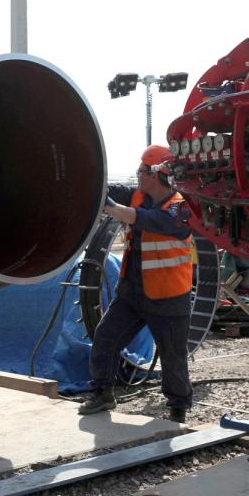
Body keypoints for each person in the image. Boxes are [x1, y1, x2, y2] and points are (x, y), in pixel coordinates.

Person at [78, 144, 194, 423]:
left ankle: (178, 408)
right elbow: (105, 189)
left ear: (156, 174)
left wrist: (110, 207)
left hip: (168, 297)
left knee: (172, 356)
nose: (138, 174)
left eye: (142, 169)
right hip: (132, 292)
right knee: (106, 337)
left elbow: (141, 218)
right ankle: (102, 393)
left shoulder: (180, 209)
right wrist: (88, 180)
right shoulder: (136, 195)